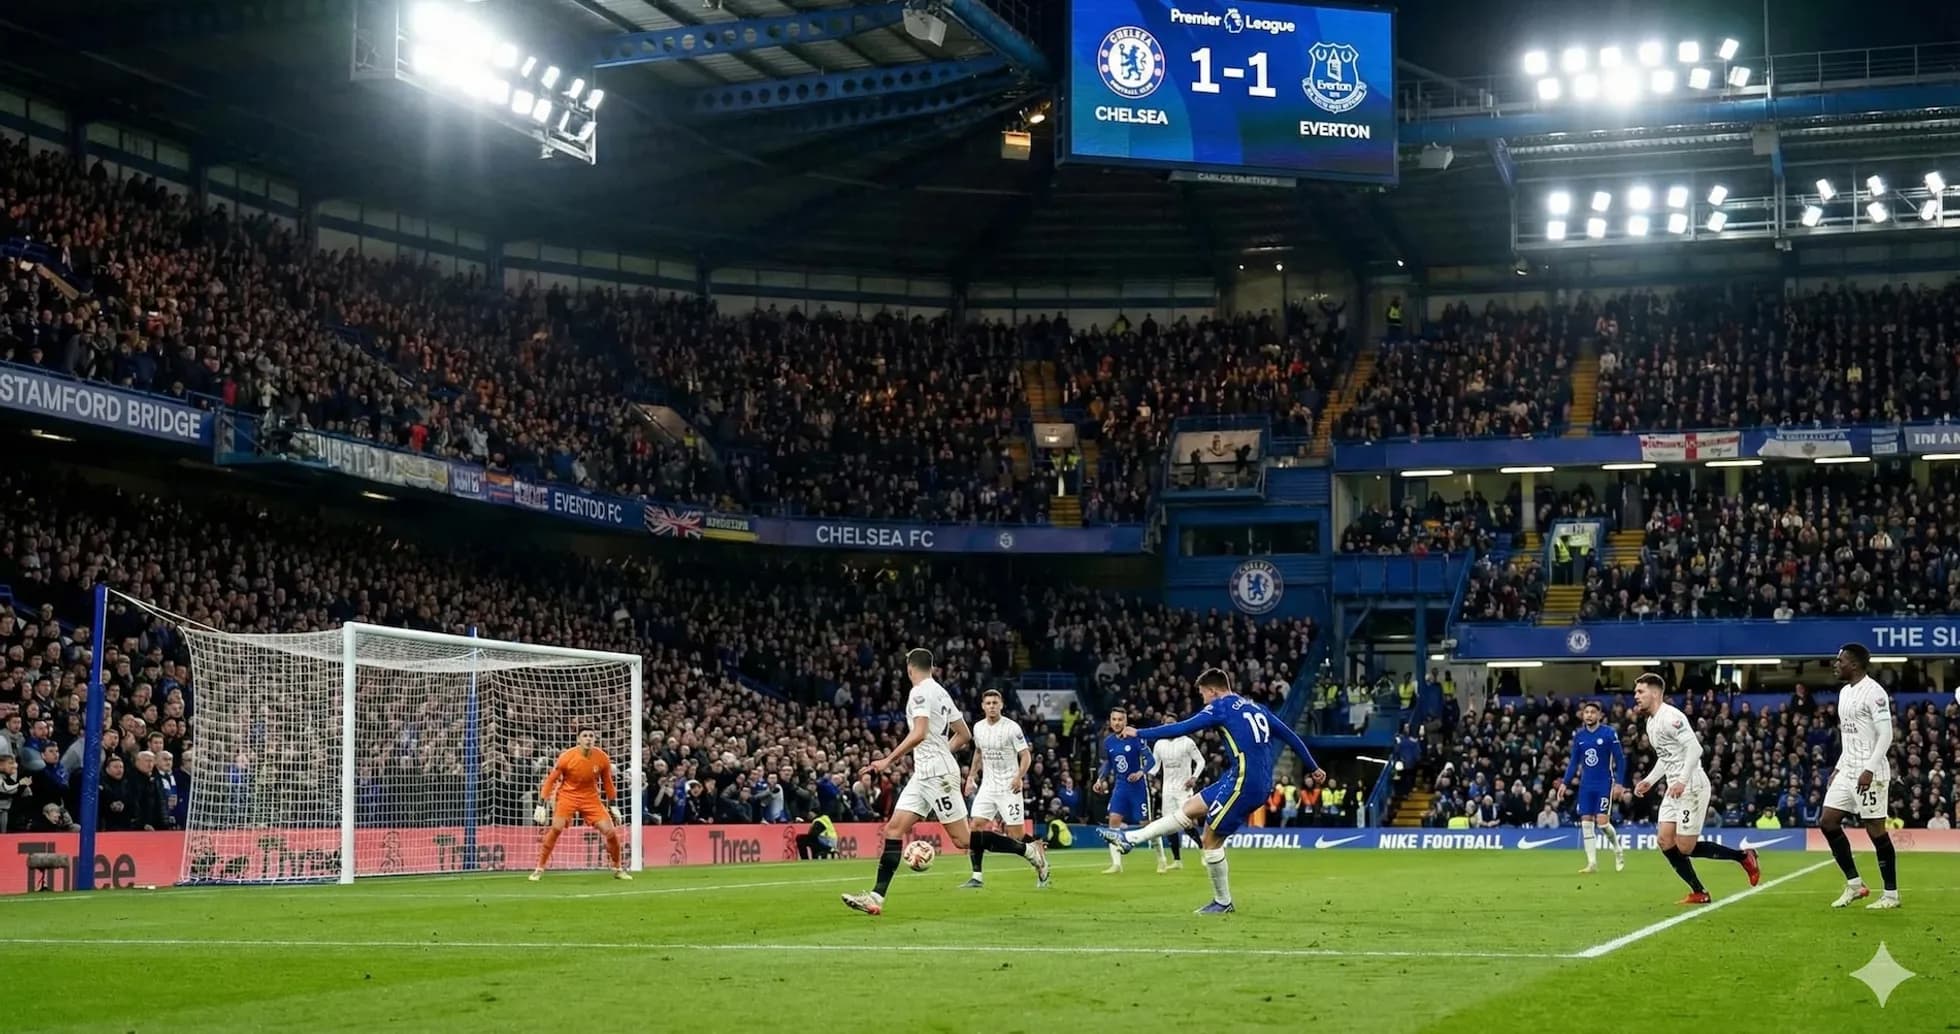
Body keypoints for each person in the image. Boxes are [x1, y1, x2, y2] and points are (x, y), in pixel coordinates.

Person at [1097, 668, 1324, 913]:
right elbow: (1290, 735)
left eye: (1203, 695)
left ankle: (1223, 902)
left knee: (1210, 840)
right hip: (1244, 777)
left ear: (1213, 691)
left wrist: (1140, 732)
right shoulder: (1255, 707)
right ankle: (1130, 838)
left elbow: (1181, 728)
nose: (1203, 700)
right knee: (1190, 807)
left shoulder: (1220, 707)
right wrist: (1313, 767)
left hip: (1245, 782)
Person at [843, 650, 1049, 916]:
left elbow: (918, 733)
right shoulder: (941, 692)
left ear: (909, 667)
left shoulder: (918, 693)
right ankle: (875, 897)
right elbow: (963, 735)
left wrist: (888, 761)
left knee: (963, 840)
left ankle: (1029, 851)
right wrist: (941, 753)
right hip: (924, 773)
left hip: (937, 775)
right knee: (893, 830)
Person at [1630, 673, 1759, 904]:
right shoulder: (1651, 722)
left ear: (1656, 693)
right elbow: (1667, 757)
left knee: (1685, 847)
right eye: (1635, 692)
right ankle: (1699, 892)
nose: (1636, 696)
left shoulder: (1672, 717)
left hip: (1691, 785)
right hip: (1675, 786)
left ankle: (1743, 856)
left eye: (1640, 692)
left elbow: (1695, 749)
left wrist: (1681, 780)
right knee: (1664, 841)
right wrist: (1650, 780)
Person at [1820, 644, 1900, 909]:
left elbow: (1886, 735)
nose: (1835, 664)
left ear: (1853, 665)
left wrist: (1868, 769)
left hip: (1871, 771)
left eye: (1839, 660)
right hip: (1848, 768)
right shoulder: (1844, 693)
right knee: (1828, 822)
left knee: (1875, 830)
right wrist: (1840, 767)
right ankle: (1855, 885)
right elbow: (1850, 737)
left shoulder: (1875, 692)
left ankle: (1891, 895)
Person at [530, 729, 629, 881]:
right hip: (568, 796)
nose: (588, 739)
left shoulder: (602, 757)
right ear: (578, 740)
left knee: (610, 832)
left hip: (591, 798)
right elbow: (550, 780)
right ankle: (539, 868)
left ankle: (618, 868)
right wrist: (541, 804)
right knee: (556, 828)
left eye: (591, 736)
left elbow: (608, 782)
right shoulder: (567, 757)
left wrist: (613, 804)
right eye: (585, 736)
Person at [961, 688, 1033, 889]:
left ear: (1001, 705)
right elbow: (978, 752)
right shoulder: (978, 728)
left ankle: (1038, 853)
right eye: (988, 703)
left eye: (995, 703)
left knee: (1016, 835)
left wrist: (1019, 777)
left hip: (1010, 786)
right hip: (988, 786)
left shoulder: (1012, 728)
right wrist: (971, 777)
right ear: (983, 706)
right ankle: (977, 876)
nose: (992, 706)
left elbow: (1026, 755)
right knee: (974, 826)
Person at [1553, 700, 1626, 874]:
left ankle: (1617, 850)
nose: (1589, 715)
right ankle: (1592, 863)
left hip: (1604, 782)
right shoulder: (1579, 736)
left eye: (1593, 712)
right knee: (1586, 822)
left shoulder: (1609, 733)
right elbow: (1573, 763)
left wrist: (1620, 783)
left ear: (1600, 715)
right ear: (1582, 715)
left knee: (1602, 823)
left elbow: (1621, 760)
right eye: (1586, 712)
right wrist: (1565, 782)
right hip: (1586, 784)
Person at [1092, 706, 1158, 874]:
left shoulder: (1136, 737)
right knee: (1113, 821)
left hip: (1138, 788)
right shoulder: (1108, 742)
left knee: (1147, 826)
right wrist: (1100, 779)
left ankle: (1161, 859)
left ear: (1126, 721)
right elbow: (1108, 764)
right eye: (1114, 719)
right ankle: (1116, 864)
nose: (1117, 722)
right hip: (1121, 787)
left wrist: (1141, 772)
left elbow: (1151, 760)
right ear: (1110, 721)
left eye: (1120, 719)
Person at [1150, 732, 1204, 872]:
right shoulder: (1159, 743)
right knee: (1169, 825)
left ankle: (1204, 852)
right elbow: (1155, 767)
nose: (1170, 728)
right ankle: (1177, 860)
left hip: (1184, 789)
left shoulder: (1187, 742)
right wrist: (1147, 775)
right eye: (1166, 725)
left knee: (1186, 822)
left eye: (1172, 724)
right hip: (1167, 790)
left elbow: (1201, 761)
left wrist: (1194, 777)